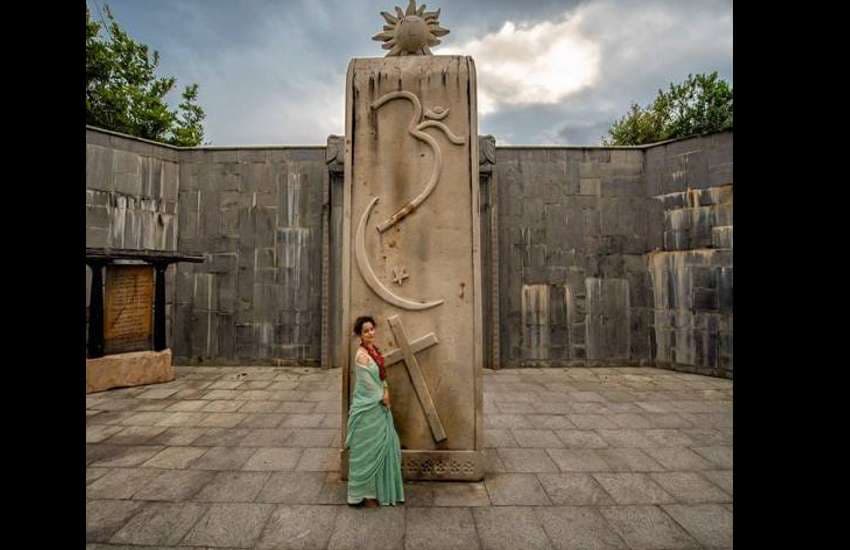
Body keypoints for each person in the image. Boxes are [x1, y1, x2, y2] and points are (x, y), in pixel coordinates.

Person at [346, 315, 405, 507]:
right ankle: (365, 494)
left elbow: (380, 377)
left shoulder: (373, 351)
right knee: (368, 449)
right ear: (359, 335)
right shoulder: (361, 356)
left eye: (372, 329)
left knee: (389, 445)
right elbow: (366, 385)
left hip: (380, 404)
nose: (370, 333)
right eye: (366, 331)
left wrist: (386, 390)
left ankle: (380, 490)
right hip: (369, 408)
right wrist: (382, 397)